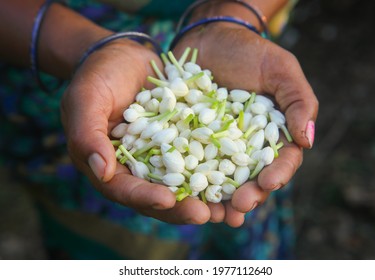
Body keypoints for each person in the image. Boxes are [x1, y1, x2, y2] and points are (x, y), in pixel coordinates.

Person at [0, 0, 318, 259]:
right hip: (53, 63)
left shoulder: (234, 127)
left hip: (222, 47)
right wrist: (86, 49)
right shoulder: (151, 117)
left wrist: (230, 16)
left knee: (238, 209)